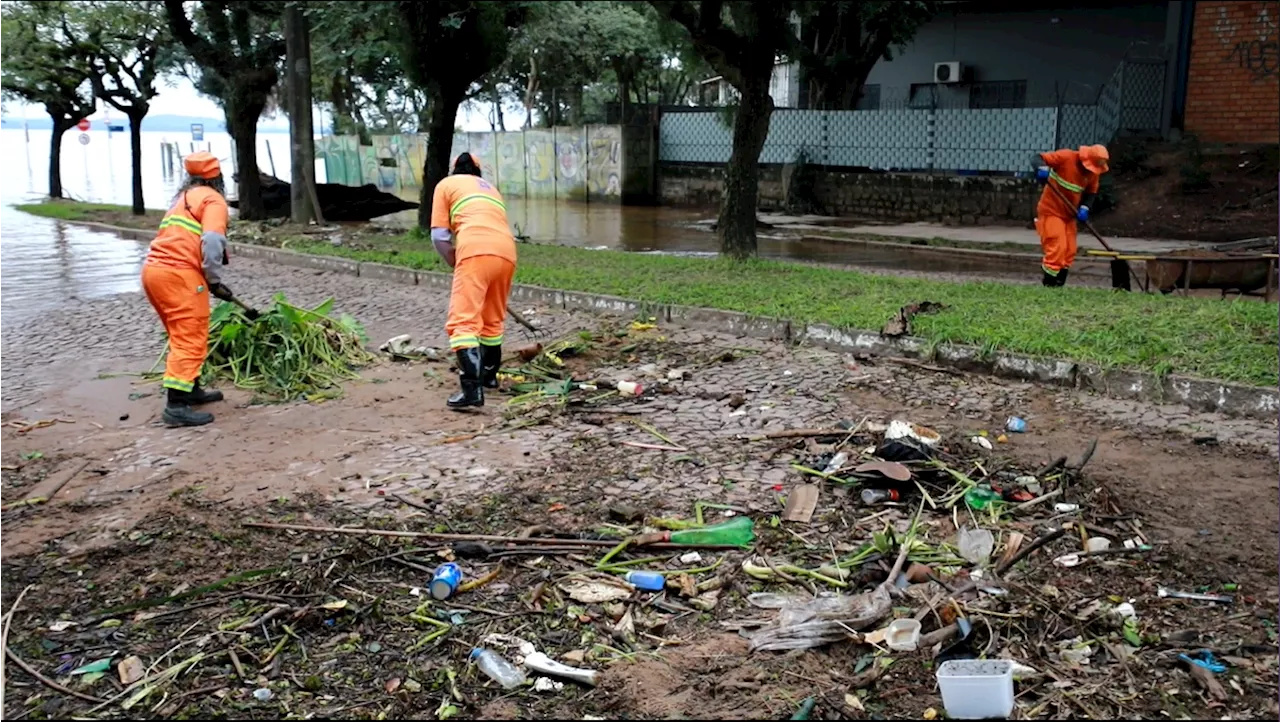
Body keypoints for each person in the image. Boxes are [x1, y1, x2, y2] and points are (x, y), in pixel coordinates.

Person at [141, 151, 242, 427]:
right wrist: (213, 279)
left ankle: (191, 389)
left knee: (180, 333)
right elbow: (211, 241)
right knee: (190, 336)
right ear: (217, 178)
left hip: (154, 273)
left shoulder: (182, 200)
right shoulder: (213, 200)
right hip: (179, 275)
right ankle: (176, 406)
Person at [430, 153, 518, 410]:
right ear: (478, 172)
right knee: (492, 317)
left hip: (474, 249)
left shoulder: (446, 185)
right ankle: (488, 377)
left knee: (463, 321)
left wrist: (453, 259)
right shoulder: (492, 190)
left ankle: (471, 390)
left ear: (454, 169)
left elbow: (439, 236)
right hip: (507, 253)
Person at [1032, 144, 1109, 287]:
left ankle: (1059, 285)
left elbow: (1091, 193)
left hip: (1069, 214)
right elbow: (1038, 158)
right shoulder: (1066, 157)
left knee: (1069, 250)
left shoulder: (1093, 173)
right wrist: (1041, 168)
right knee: (1057, 247)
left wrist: (1085, 207)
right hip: (1051, 210)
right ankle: (1049, 285)